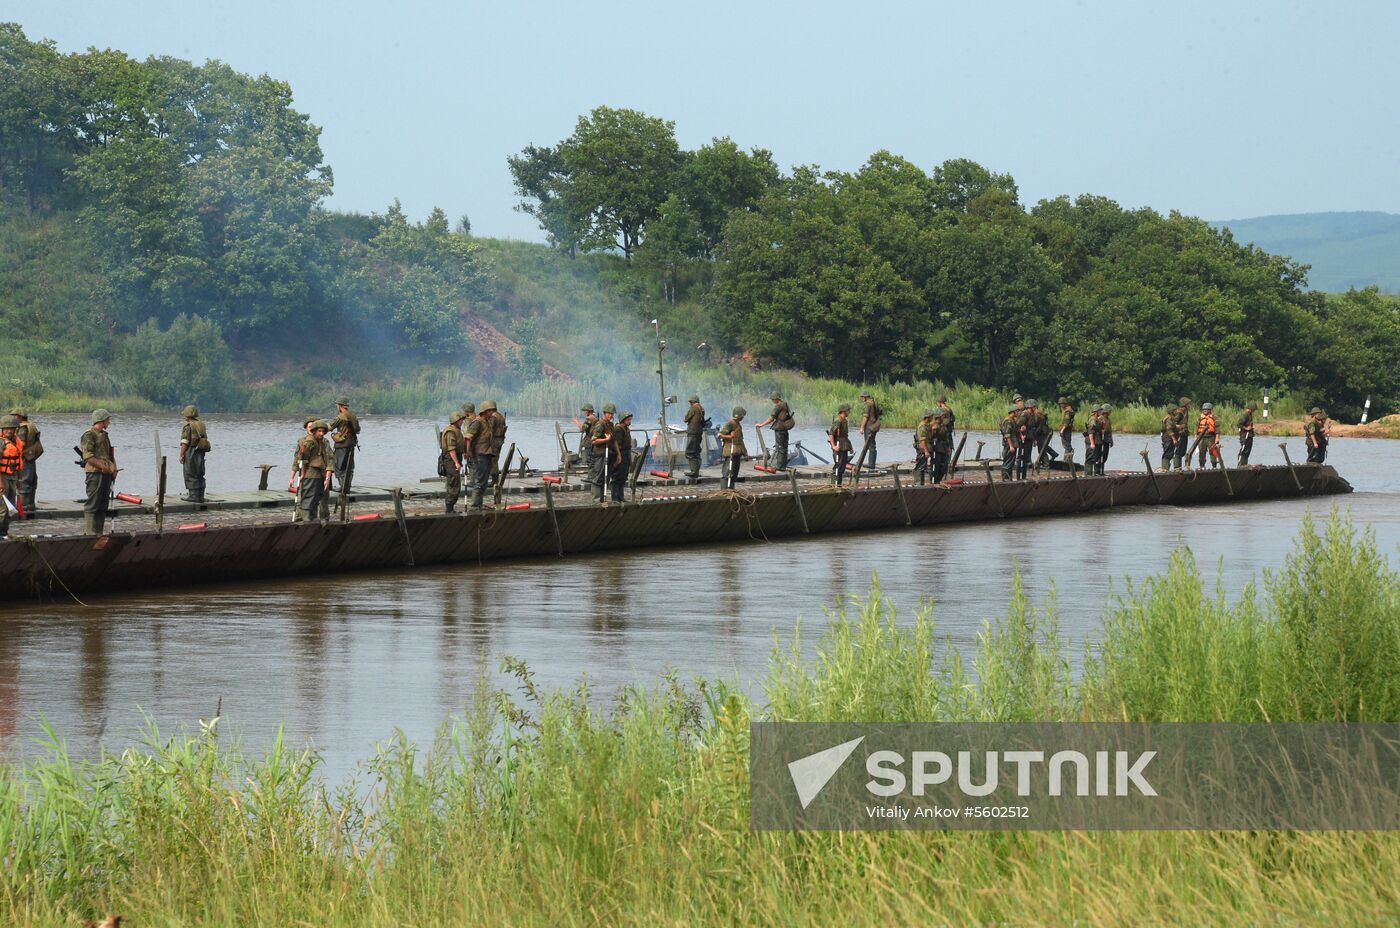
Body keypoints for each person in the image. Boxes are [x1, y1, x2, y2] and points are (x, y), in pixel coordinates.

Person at [79, 409, 117, 535]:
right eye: (107, 420)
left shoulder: (105, 435)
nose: (109, 422)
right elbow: (88, 457)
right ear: (101, 420)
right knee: (93, 504)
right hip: (94, 473)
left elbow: (109, 455)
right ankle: (90, 533)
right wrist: (103, 467)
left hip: (106, 473)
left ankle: (98, 533)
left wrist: (113, 469)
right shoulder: (88, 435)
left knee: (102, 505)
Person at [294, 420, 333, 524]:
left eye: (323, 431)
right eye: (319, 431)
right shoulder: (309, 441)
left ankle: (313, 519)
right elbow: (303, 459)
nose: (321, 433)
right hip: (311, 473)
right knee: (308, 497)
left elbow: (330, 458)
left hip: (321, 474)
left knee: (317, 498)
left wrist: (327, 477)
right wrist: (302, 473)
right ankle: (306, 520)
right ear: (314, 431)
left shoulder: (323, 442)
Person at [465, 401, 500, 509]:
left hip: (487, 454)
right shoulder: (477, 422)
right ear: (484, 411)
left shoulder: (487, 422)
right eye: (490, 411)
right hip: (479, 455)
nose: (492, 413)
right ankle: (475, 505)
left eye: (493, 411)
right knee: (480, 481)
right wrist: (467, 452)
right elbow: (468, 438)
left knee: (484, 482)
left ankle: (479, 504)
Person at [11, 407, 41, 518]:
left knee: (24, 483)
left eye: (15, 415)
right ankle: (30, 507)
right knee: (31, 482)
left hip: (24, 457)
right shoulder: (31, 425)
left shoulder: (22, 427)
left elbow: (21, 443)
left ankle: (23, 508)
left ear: (20, 416)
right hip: (31, 456)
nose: (13, 418)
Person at [328, 397, 361, 495]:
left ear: (340, 406)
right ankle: (347, 487)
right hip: (352, 444)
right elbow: (358, 430)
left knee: (338, 466)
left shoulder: (340, 417)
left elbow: (330, 427)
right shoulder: (353, 416)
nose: (336, 407)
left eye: (337, 405)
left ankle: (343, 487)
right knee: (349, 467)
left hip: (342, 445)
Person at [178, 405, 210, 503]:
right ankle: (200, 496)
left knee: (190, 472)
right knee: (200, 472)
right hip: (200, 451)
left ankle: (193, 496)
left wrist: (181, 455)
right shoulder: (201, 424)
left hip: (191, 451)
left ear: (188, 415)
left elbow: (185, 442)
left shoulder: (188, 426)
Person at [755, 392, 794, 470]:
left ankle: (780, 466)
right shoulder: (785, 404)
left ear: (776, 399)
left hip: (780, 429)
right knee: (784, 447)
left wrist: (761, 424)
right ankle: (783, 466)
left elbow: (771, 418)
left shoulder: (778, 406)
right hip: (785, 429)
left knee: (780, 447)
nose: (772, 401)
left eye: (773, 399)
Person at [588, 404, 617, 503]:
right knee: (598, 478)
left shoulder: (610, 425)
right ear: (604, 413)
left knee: (606, 478)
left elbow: (614, 441)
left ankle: (602, 499)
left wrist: (618, 455)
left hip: (609, 454)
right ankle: (596, 500)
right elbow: (594, 441)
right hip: (600, 455)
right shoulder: (600, 424)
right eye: (609, 413)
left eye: (612, 414)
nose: (610, 415)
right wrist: (606, 439)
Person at [0, 415, 23, 537]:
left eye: (12, 428)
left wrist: (19, 480)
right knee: (2, 507)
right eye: (6, 428)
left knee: (10, 507)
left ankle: (4, 531)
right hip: (2, 477)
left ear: (15, 429)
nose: (9, 430)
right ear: (2, 430)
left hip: (13, 477)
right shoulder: (1, 442)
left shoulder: (17, 442)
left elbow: (18, 463)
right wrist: (1, 482)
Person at [440, 410, 466, 512]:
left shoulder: (457, 430)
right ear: (455, 421)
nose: (462, 422)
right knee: (454, 484)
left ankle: (450, 508)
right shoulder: (450, 431)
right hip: (450, 460)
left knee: (453, 483)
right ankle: (449, 508)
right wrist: (456, 463)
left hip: (455, 458)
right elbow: (451, 449)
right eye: (460, 420)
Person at [717, 407, 747, 490]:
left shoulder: (738, 425)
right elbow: (719, 435)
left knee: (734, 472)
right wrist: (730, 436)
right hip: (730, 450)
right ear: (738, 416)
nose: (743, 418)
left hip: (737, 451)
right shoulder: (730, 423)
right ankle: (724, 489)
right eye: (742, 416)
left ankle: (731, 488)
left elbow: (740, 440)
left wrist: (745, 452)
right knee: (727, 471)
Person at [611, 411, 634, 501]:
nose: (629, 421)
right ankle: (615, 497)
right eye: (628, 419)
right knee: (617, 477)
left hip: (626, 454)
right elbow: (616, 444)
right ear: (623, 420)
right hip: (620, 454)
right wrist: (618, 456)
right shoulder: (618, 429)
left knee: (623, 477)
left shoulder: (626, 429)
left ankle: (621, 496)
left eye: (630, 419)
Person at [829, 404, 853, 485]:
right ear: (843, 411)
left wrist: (850, 447)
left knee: (842, 466)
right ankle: (835, 484)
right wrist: (833, 446)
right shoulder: (838, 421)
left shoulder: (845, 421)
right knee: (838, 466)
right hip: (838, 446)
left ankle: (839, 484)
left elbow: (845, 436)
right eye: (848, 410)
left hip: (844, 445)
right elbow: (831, 434)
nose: (849, 412)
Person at [857, 391, 882, 469]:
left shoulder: (868, 404)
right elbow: (880, 411)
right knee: (872, 444)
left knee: (870, 445)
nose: (862, 398)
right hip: (875, 425)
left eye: (862, 397)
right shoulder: (874, 402)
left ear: (865, 397)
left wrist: (861, 427)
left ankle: (871, 464)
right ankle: (871, 463)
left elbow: (865, 416)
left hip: (869, 426)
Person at [683, 395, 705, 481]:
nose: (690, 404)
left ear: (692, 402)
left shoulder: (694, 408)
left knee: (690, 452)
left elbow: (686, 418)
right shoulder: (702, 409)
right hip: (699, 432)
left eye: (690, 402)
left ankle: (694, 472)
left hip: (693, 432)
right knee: (696, 452)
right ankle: (696, 471)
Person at [930, 407, 952, 484]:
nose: (944, 417)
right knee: (936, 467)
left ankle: (938, 481)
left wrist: (948, 448)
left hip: (943, 448)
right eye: (942, 416)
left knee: (944, 467)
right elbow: (929, 438)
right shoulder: (933, 425)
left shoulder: (943, 425)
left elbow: (945, 437)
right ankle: (934, 482)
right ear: (939, 416)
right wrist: (933, 433)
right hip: (936, 448)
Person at [1196, 402, 1221, 469]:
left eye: (1207, 409)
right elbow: (1196, 427)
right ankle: (1202, 466)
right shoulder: (1200, 417)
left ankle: (1214, 466)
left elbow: (1217, 428)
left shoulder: (1214, 417)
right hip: (1202, 437)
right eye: (1204, 409)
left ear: (1210, 410)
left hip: (1211, 437)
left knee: (1213, 452)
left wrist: (1217, 438)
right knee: (1201, 452)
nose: (1205, 411)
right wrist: (1196, 437)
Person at [913, 410, 934, 485]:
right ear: (927, 417)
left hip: (926, 447)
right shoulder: (922, 426)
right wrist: (926, 451)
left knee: (923, 467)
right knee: (920, 467)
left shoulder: (927, 425)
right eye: (931, 416)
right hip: (922, 449)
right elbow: (922, 441)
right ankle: (918, 484)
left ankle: (921, 483)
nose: (932, 417)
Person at [1083, 404, 1103, 476]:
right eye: (1100, 410)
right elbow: (1090, 432)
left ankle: (1093, 473)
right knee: (1090, 457)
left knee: (1095, 457)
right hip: (1090, 441)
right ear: (1096, 412)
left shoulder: (1097, 419)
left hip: (1095, 440)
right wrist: (1092, 443)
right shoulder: (1093, 419)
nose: (1101, 412)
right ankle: (1088, 474)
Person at [1159, 401, 1179, 471]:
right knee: (1167, 454)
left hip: (1167, 438)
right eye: (1175, 410)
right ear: (1171, 411)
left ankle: (1165, 469)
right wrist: (1174, 439)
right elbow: (1169, 429)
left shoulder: (1170, 417)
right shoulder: (1169, 418)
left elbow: (1172, 426)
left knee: (1169, 453)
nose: (1177, 411)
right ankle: (1165, 469)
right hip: (1168, 439)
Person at [1173, 397, 1192, 470]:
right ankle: (1177, 468)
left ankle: (1179, 468)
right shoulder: (1179, 412)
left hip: (1184, 434)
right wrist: (1180, 427)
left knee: (1182, 452)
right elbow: (1173, 423)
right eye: (1188, 404)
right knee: (1178, 452)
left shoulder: (1185, 411)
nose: (1190, 405)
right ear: (1185, 404)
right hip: (1180, 434)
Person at [1098, 403, 1114, 473]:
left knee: (1105, 456)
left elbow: (1110, 431)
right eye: (1109, 411)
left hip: (1107, 439)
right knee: (1100, 456)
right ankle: (1098, 471)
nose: (1110, 412)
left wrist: (1111, 440)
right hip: (1101, 439)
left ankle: (1102, 471)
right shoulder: (1100, 418)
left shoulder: (1108, 419)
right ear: (1106, 411)